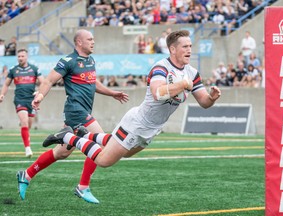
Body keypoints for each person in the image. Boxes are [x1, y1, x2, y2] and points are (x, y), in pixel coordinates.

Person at [41, 30, 221, 183]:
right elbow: (158, 93)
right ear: (173, 49)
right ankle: (68, 137)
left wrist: (212, 98)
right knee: (104, 160)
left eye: (190, 46)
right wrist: (182, 84)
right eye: (185, 46)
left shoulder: (192, 73)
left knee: (124, 154)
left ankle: (85, 135)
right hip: (136, 123)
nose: (190, 50)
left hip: (153, 128)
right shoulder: (161, 68)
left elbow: (204, 102)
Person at [16, 29, 129, 204]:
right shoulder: (68, 61)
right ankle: (83, 187)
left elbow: (93, 82)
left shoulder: (90, 60)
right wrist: (40, 96)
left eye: (93, 39)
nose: (93, 42)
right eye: (89, 39)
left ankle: (27, 174)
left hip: (83, 111)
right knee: (100, 143)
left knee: (61, 153)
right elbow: (48, 81)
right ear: (79, 43)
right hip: (76, 111)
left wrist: (111, 92)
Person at [0, 49, 44, 157]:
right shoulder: (13, 70)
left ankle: (25, 132)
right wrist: (2, 94)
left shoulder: (34, 69)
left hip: (32, 100)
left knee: (28, 124)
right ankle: (27, 148)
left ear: (27, 57)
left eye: (22, 56)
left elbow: (43, 82)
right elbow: (6, 84)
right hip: (19, 99)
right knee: (24, 121)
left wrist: (39, 92)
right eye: (18, 56)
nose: (20, 58)